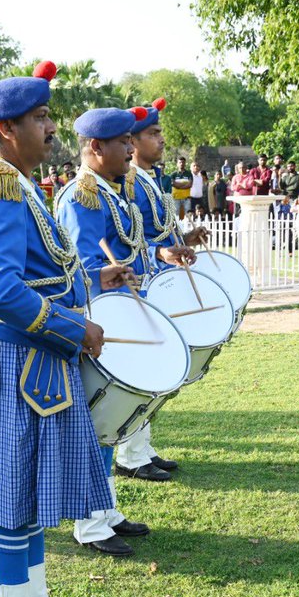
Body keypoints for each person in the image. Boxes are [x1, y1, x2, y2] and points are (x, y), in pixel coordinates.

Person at [0, 62, 126, 597]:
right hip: (19, 361)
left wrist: (94, 281)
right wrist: (77, 327)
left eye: (49, 117)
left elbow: (37, 274)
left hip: (36, 363)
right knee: (14, 507)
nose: (52, 129)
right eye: (41, 118)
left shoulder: (19, 183)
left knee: (28, 505)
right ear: (7, 127)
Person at [56, 106, 193, 557]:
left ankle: (106, 511)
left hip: (122, 308)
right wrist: (104, 275)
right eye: (122, 143)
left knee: (112, 417)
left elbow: (135, 243)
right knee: (99, 418)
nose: (130, 149)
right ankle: (90, 522)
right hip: (101, 315)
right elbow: (77, 265)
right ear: (95, 147)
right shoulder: (83, 196)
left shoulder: (111, 192)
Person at [120, 98, 205, 483]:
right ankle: (131, 453)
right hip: (141, 285)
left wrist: (183, 239)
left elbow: (155, 232)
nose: (162, 140)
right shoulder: (129, 181)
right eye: (153, 134)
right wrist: (162, 250)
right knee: (143, 369)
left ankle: (142, 446)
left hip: (157, 282)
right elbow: (130, 241)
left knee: (155, 368)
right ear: (132, 141)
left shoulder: (152, 179)